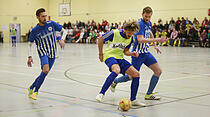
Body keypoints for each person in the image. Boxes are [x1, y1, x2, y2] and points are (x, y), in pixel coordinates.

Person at [110, 6, 167, 103]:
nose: (147, 18)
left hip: (146, 53)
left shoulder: (149, 23)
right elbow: (140, 40)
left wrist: (154, 45)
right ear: (142, 14)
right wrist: (157, 39)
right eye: (146, 16)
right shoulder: (139, 24)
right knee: (133, 76)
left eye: (149, 16)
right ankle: (115, 81)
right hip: (137, 55)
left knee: (158, 71)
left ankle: (149, 94)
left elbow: (149, 34)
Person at [95, 21, 146, 106]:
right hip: (109, 56)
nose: (130, 35)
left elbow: (126, 51)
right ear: (124, 29)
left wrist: (132, 53)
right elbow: (100, 39)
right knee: (116, 70)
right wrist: (100, 54)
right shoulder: (114, 33)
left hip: (120, 58)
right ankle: (101, 93)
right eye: (129, 33)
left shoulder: (130, 38)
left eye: (132, 33)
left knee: (136, 74)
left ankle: (133, 100)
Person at [27, 8, 67, 100]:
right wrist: (30, 56)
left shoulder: (51, 23)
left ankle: (31, 87)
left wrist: (61, 39)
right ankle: (36, 92)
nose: (45, 18)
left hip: (53, 52)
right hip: (42, 52)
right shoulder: (35, 30)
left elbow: (64, 31)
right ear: (37, 17)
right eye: (42, 16)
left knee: (44, 73)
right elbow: (30, 44)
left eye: (45, 16)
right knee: (45, 70)